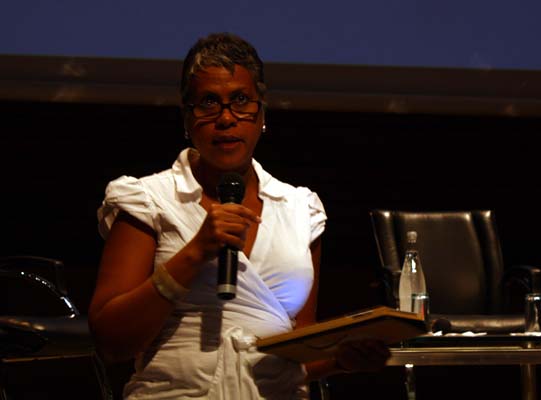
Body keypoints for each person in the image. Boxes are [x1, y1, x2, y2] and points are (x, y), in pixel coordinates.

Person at [88, 32, 390, 399]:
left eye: (241, 101)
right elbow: (111, 342)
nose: (226, 118)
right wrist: (195, 252)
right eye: (208, 103)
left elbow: (296, 350)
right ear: (187, 118)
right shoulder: (149, 200)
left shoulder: (299, 208)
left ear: (261, 114)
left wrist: (340, 358)